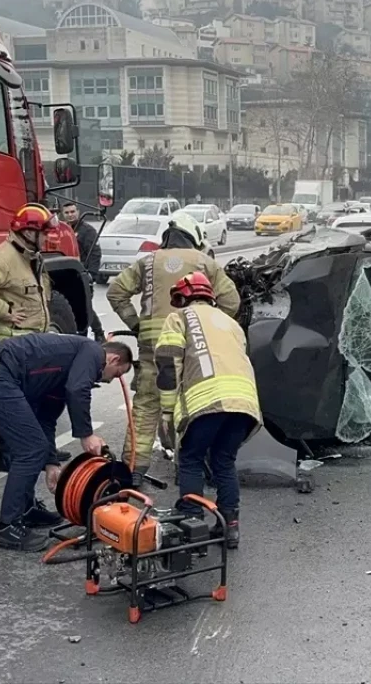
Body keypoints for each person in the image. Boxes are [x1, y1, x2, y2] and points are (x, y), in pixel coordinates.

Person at [0, 333, 133, 552]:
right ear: (113, 359)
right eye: (117, 374)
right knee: (30, 450)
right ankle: (7, 528)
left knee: (34, 445)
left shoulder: (65, 371)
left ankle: (26, 510)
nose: (109, 381)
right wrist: (86, 435)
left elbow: (46, 420)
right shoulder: (93, 351)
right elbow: (78, 389)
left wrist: (51, 464)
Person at [107, 211, 241, 475]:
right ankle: (186, 470)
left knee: (146, 407)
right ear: (195, 238)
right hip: (192, 350)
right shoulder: (205, 262)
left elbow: (115, 292)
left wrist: (136, 324)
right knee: (187, 407)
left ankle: (133, 470)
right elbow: (232, 302)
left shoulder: (147, 262)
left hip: (152, 350)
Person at [155, 272, 261, 549]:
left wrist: (167, 413)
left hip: (207, 402)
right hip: (244, 405)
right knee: (224, 461)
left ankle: (193, 526)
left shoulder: (178, 319)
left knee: (191, 459)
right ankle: (230, 528)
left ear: (183, 298)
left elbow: (168, 365)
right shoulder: (231, 323)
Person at [0, 204, 72, 472]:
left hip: (28, 343)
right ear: (28, 233)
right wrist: (6, 311)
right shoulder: (5, 258)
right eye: (43, 233)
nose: (47, 238)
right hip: (9, 345)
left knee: (34, 400)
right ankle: (6, 456)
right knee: (16, 404)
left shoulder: (30, 257)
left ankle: (42, 449)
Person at [61, 202, 104, 341]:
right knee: (75, 306)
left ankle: (96, 333)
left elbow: (95, 253)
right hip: (68, 275)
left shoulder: (87, 231)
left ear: (78, 212)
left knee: (84, 306)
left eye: (72, 211)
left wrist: (91, 274)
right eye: (67, 213)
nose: (70, 215)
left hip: (83, 273)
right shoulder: (61, 230)